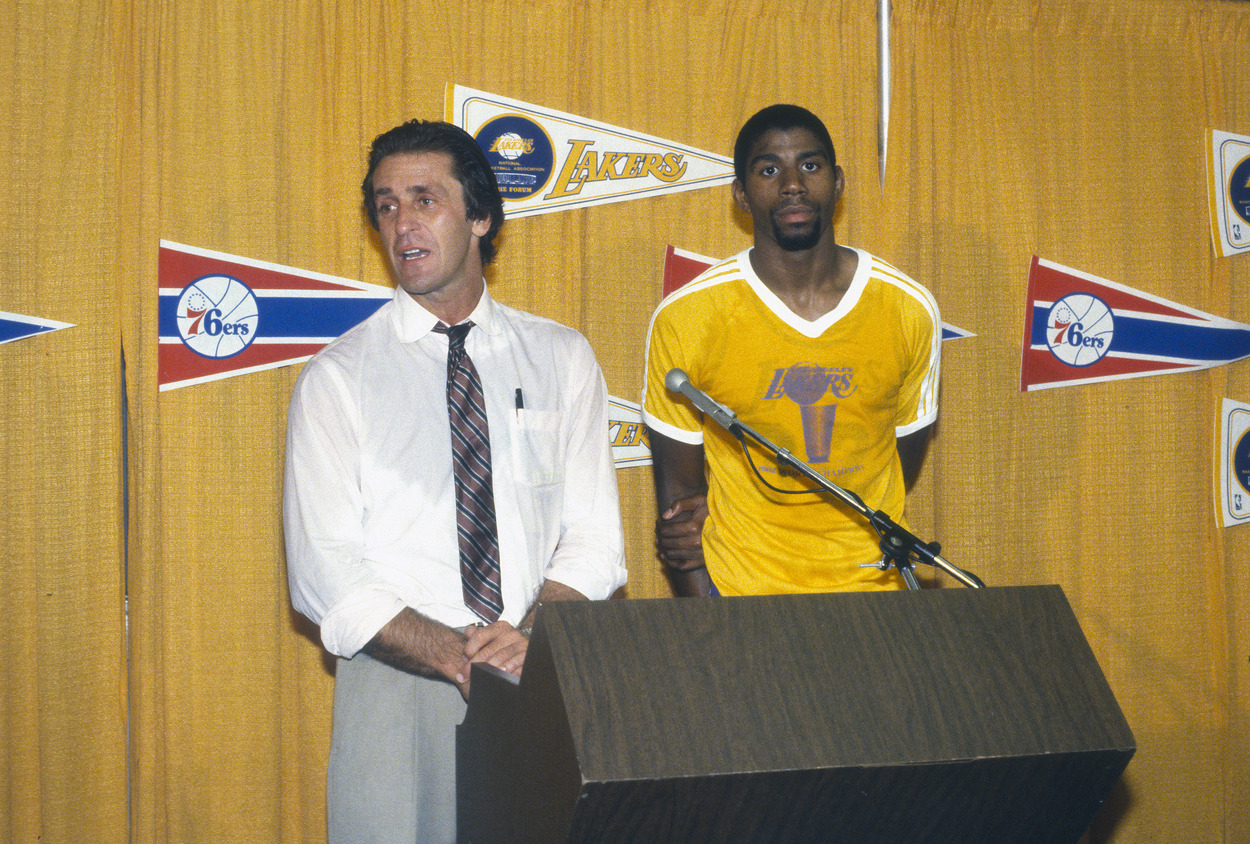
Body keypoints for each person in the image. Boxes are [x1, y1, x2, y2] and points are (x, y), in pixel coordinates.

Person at [283, 119, 627, 843]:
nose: (401, 223)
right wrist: (454, 653)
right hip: (397, 686)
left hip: (539, 674)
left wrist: (524, 638)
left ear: (480, 216)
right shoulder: (338, 379)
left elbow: (595, 538)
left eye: (423, 199)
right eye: (385, 205)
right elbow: (324, 576)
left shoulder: (560, 357)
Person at [642, 104, 939, 598]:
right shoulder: (689, 316)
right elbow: (678, 506)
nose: (792, 184)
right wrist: (715, 625)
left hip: (876, 592)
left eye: (810, 165)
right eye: (768, 169)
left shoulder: (907, 308)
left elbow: (899, 460)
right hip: (744, 592)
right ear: (740, 193)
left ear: (838, 181)